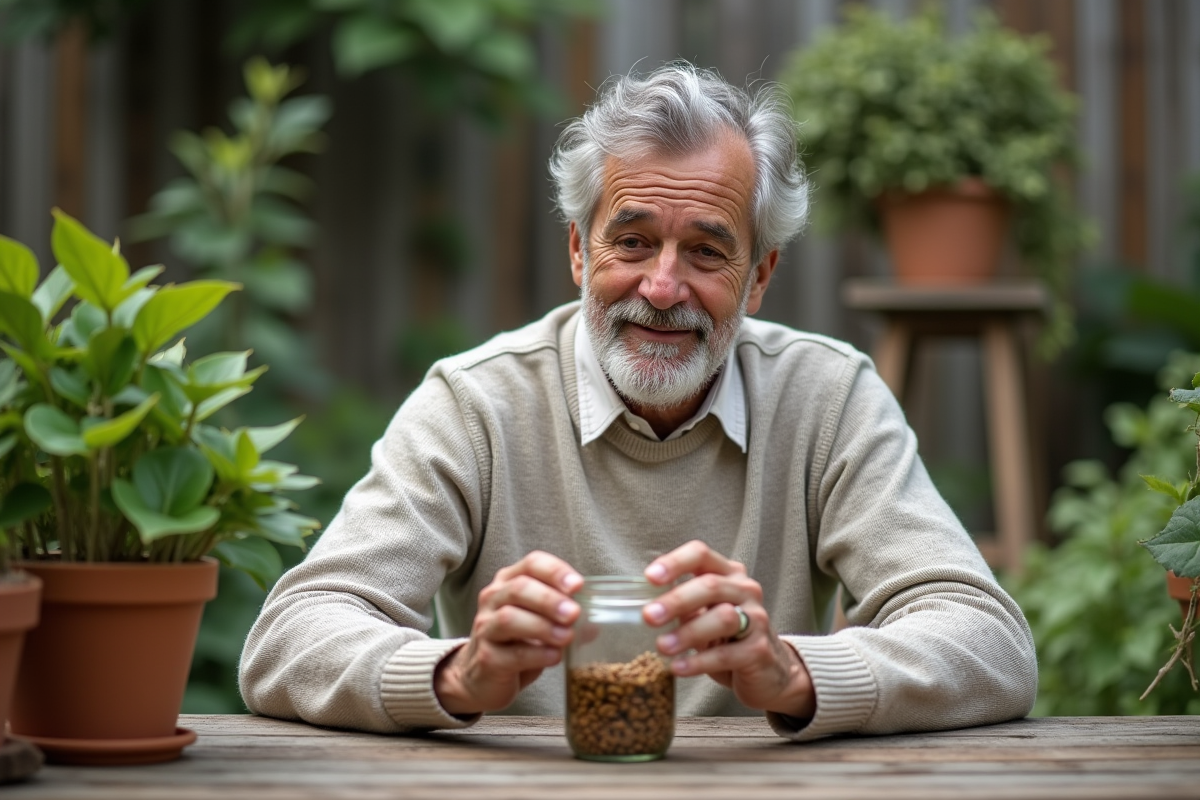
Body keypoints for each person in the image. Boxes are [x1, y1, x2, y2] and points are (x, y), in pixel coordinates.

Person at [239, 63, 1037, 741]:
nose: (662, 287)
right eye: (631, 241)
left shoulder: (829, 397)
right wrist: (455, 673)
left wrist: (795, 671)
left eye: (707, 250)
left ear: (759, 277)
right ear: (580, 251)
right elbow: (288, 639)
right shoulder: (476, 403)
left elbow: (990, 642)